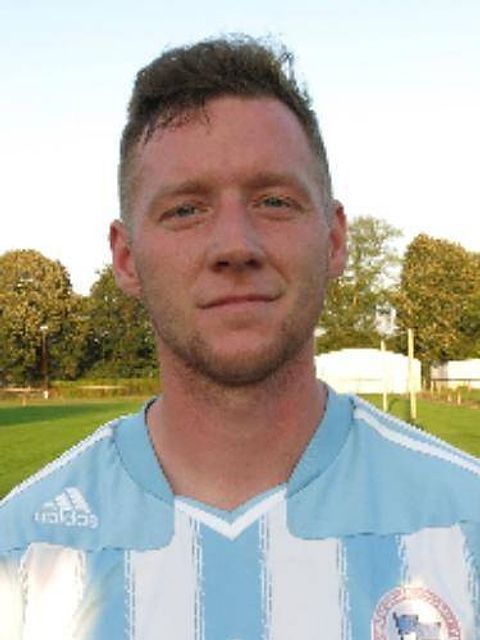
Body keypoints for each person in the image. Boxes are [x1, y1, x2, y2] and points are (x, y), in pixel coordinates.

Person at [1, 35, 479, 639]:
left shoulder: (466, 522)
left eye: (274, 201)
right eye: (185, 210)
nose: (234, 246)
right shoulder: (22, 553)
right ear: (126, 258)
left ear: (334, 240)